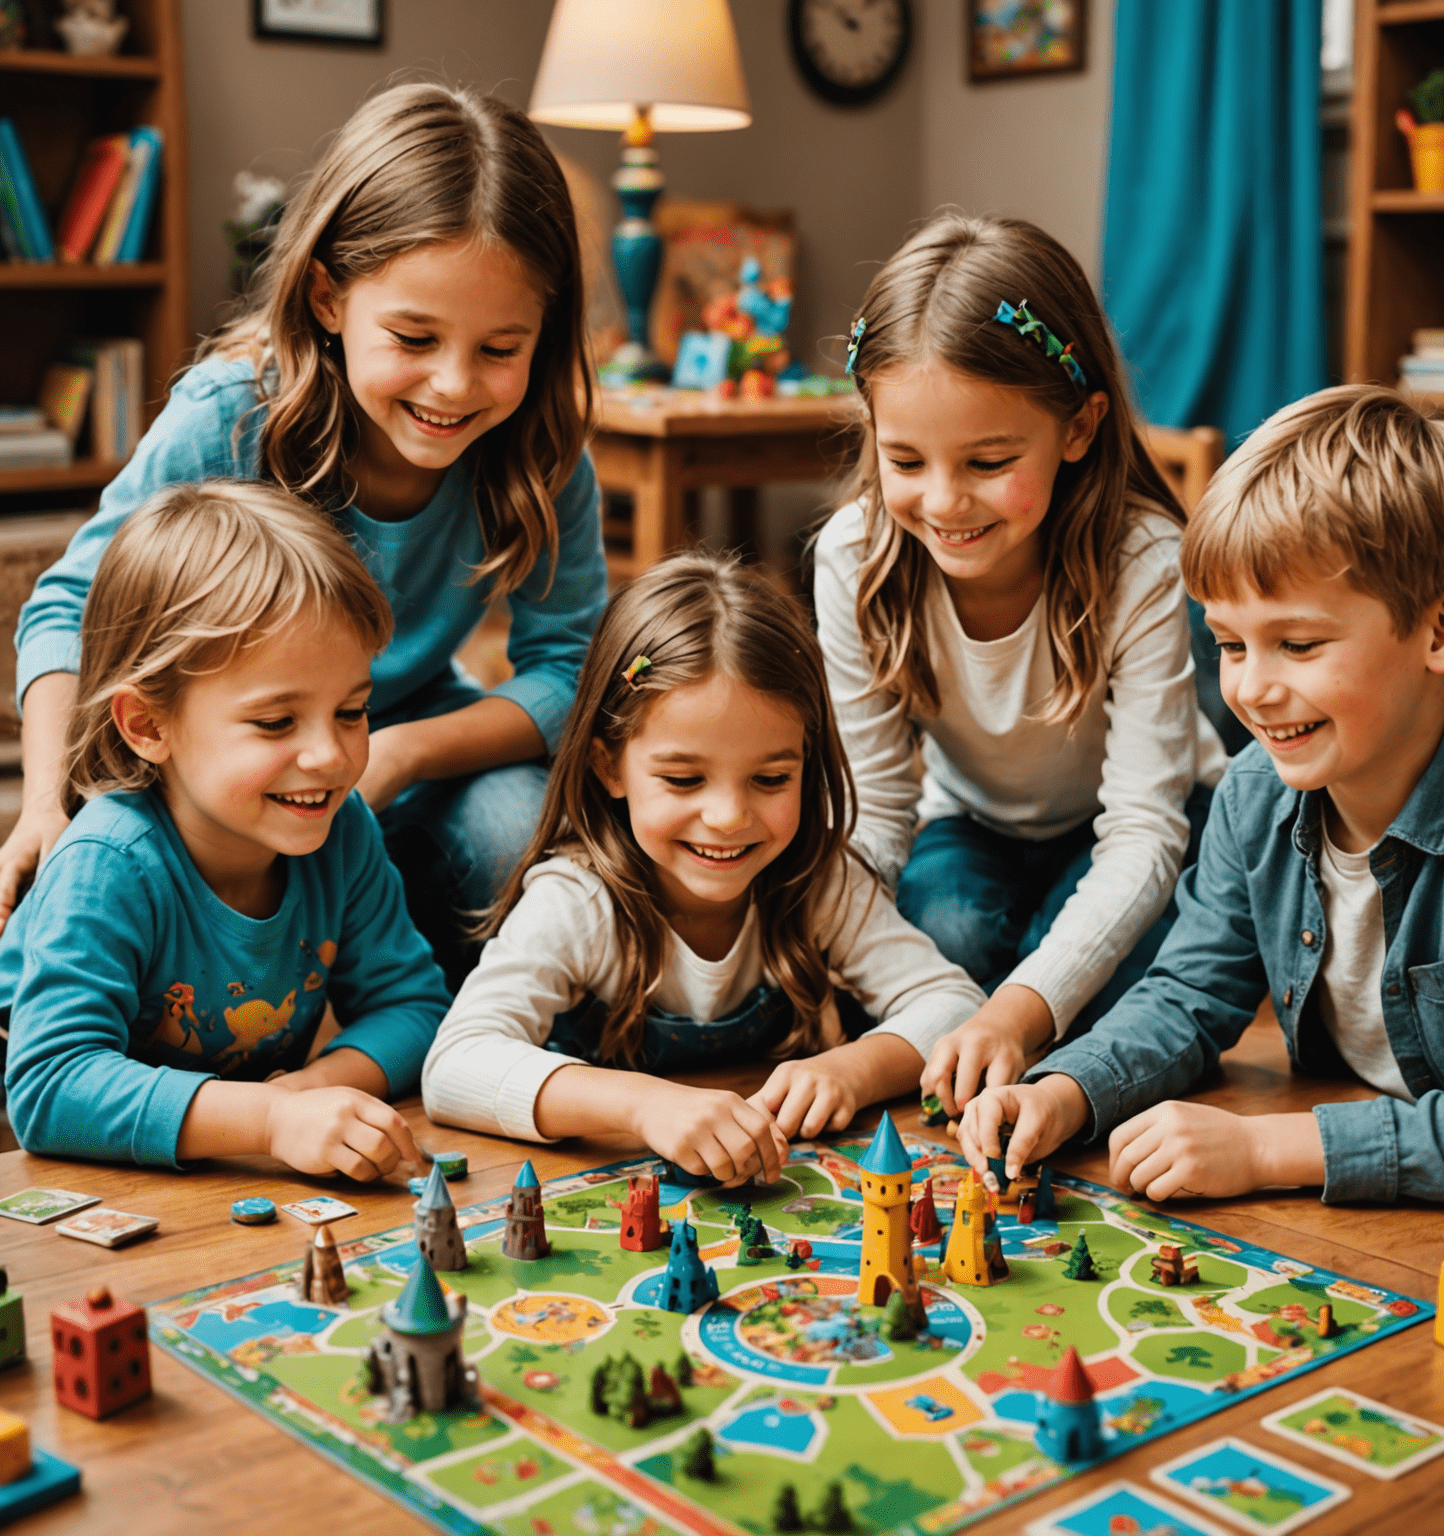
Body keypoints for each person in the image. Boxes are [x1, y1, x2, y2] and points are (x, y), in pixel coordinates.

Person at [6, 83, 605, 987]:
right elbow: (69, 608)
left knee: (519, 840)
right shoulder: (231, 414)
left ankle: (447, 1045)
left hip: (409, 743)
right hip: (235, 745)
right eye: (413, 336)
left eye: (498, 349)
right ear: (328, 297)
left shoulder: (545, 453)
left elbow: (573, 670)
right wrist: (46, 800)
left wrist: (400, 753)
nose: (452, 385)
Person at [959, 384, 1444, 1205]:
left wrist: (1267, 1150)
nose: (1252, 690)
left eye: (1297, 644)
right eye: (1230, 644)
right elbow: (1190, 995)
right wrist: (1063, 1092)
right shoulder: (1254, 793)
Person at [817, 214, 1224, 1118]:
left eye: (990, 461)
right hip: (974, 823)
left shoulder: (1142, 560)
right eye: (905, 460)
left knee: (1102, 1007)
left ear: (1078, 428)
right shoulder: (853, 556)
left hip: (1144, 828)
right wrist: (824, 931)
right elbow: (877, 810)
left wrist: (1016, 1012)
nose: (945, 500)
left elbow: (1144, 833)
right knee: (939, 944)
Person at [422, 552, 986, 1184]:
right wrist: (645, 1105)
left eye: (771, 779)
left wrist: (852, 1071)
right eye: (684, 778)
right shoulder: (578, 899)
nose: (726, 816)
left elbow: (958, 1006)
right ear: (610, 767)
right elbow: (454, 1065)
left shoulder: (819, 880)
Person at [3, 482, 452, 1175]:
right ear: (149, 724)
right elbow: (49, 1088)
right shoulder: (107, 860)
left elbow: (415, 1007)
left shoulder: (341, 828)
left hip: (214, 1165)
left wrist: (311, 1091)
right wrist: (270, 1118)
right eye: (276, 722)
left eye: (353, 711)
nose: (331, 757)